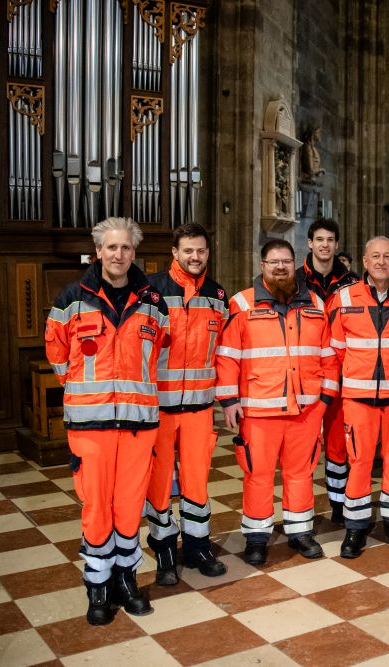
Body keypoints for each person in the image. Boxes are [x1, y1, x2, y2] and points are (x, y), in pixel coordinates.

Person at [45, 218, 168, 625]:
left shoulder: (153, 302)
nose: (119, 255)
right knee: (97, 506)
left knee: (130, 505)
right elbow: (59, 358)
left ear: (135, 253)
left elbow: (159, 360)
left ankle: (126, 579)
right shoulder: (70, 300)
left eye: (126, 248)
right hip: (90, 427)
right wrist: (90, 395)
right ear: (98, 251)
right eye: (111, 248)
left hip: (137, 426)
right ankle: (98, 585)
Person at [215, 240, 336, 566]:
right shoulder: (242, 303)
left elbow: (328, 354)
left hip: (306, 409)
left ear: (294, 263)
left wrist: (325, 397)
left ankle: (300, 532)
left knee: (301, 473)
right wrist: (228, 401)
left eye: (286, 261)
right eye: (273, 262)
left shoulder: (314, 302)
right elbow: (227, 357)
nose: (280, 267)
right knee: (258, 475)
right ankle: (256, 537)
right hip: (258, 410)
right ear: (262, 265)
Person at [144, 223, 229, 586]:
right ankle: (164, 549)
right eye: (188, 251)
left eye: (201, 251)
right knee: (159, 485)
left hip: (198, 410)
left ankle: (197, 547)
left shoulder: (217, 296)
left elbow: (223, 353)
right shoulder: (151, 292)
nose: (196, 257)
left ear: (208, 253)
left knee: (196, 483)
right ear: (174, 252)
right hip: (158, 410)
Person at [330, 237, 389, 559]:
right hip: (357, 397)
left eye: (387, 256)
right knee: (359, 463)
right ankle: (355, 528)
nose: (381, 262)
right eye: (375, 257)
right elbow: (333, 351)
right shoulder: (343, 297)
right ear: (364, 262)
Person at [297, 219, 358, 524]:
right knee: (303, 445)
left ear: (336, 244)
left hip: (342, 371)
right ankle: (300, 508)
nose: (324, 245)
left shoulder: (352, 282)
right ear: (309, 243)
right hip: (306, 372)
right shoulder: (294, 281)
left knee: (337, 444)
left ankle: (337, 504)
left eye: (330, 240)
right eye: (319, 239)